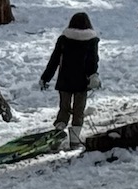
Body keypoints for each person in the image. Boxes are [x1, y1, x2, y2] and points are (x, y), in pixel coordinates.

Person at [40, 12, 100, 150]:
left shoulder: (64, 39)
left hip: (65, 81)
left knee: (64, 109)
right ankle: (74, 142)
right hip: (82, 82)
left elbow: (54, 60)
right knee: (79, 111)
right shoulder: (91, 40)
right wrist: (93, 76)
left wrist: (45, 77)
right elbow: (92, 61)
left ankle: (56, 138)